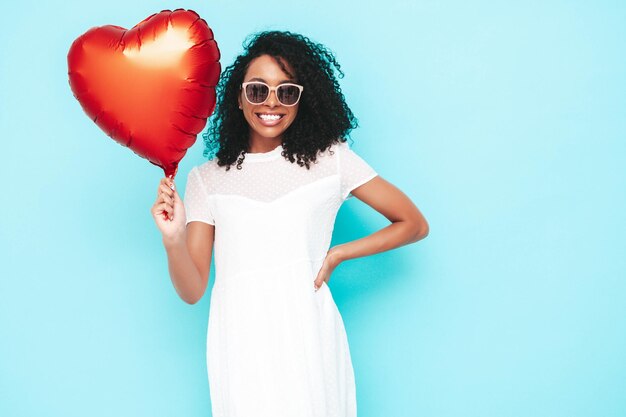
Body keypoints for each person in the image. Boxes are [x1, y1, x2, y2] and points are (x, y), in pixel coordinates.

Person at [151, 30, 428, 417]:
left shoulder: (331, 161)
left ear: (303, 99)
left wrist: (340, 253)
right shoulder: (206, 178)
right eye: (258, 90)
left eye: (287, 92)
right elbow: (193, 288)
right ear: (239, 96)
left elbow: (413, 223)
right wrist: (172, 239)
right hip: (240, 341)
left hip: (307, 335)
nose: (272, 103)